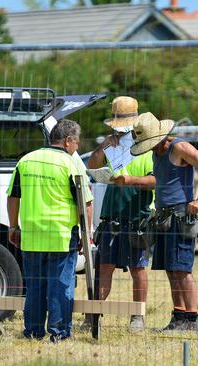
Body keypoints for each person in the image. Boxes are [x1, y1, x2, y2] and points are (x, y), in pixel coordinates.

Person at [7, 119, 93, 343]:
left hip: (32, 235)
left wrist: (13, 226)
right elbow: (86, 203)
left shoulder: (26, 160)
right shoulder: (72, 164)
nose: (78, 148)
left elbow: (13, 196)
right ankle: (59, 332)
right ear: (67, 141)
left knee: (35, 285)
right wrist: (87, 235)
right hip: (61, 235)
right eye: (77, 143)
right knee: (60, 284)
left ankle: (33, 332)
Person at [130, 112, 198, 331]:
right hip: (163, 217)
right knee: (171, 269)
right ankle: (178, 318)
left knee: (182, 269)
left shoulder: (179, 147)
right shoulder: (156, 153)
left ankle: (192, 320)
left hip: (180, 216)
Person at [87, 96, 155, 331]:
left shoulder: (147, 146)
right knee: (104, 267)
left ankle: (138, 316)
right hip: (111, 217)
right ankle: (93, 315)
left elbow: (156, 180)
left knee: (138, 269)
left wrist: (130, 181)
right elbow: (92, 167)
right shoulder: (111, 144)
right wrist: (103, 145)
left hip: (138, 217)